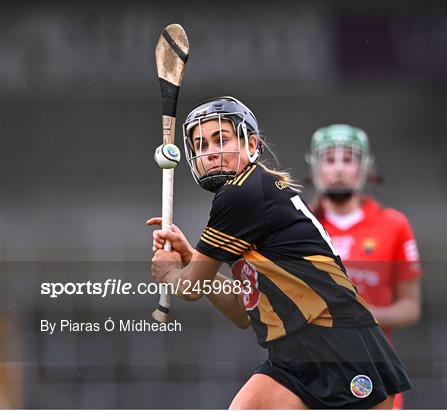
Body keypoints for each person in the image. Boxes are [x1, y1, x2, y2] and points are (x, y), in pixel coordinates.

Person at [148, 97, 411, 409]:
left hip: (341, 349)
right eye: (201, 145)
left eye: (222, 139)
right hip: (292, 359)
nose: (211, 152)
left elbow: (189, 289)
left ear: (251, 143)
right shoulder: (250, 195)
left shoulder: (241, 194)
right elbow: (239, 311)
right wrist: (192, 260)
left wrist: (169, 272)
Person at [308, 124, 422, 409]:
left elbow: (411, 307)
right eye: (329, 160)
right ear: (315, 168)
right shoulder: (298, 226)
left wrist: (363, 315)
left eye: (348, 159)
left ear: (364, 168)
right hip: (311, 371)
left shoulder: (394, 225)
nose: (338, 169)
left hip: (374, 371)